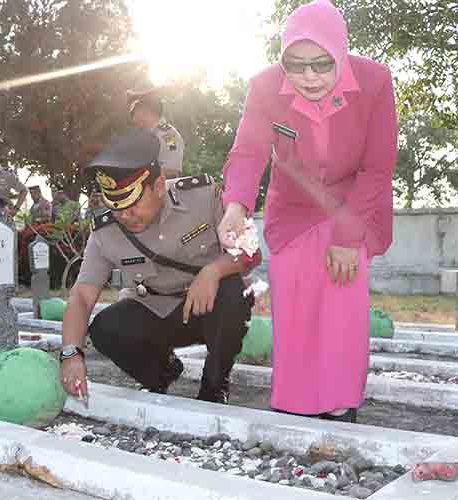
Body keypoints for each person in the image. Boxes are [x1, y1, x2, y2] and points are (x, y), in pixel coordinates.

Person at [217, 1, 398, 423]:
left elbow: (377, 167)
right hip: (294, 209)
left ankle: (339, 405)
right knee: (294, 304)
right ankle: (296, 408)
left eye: (322, 64)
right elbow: (248, 152)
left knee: (341, 301)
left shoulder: (374, 81)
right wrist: (236, 206)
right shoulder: (265, 87)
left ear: (340, 53)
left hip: (353, 204)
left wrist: (348, 238)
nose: (309, 76)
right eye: (296, 65)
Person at [58, 128, 257, 405]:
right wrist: (71, 354)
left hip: (209, 309)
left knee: (233, 292)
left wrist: (213, 271)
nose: (125, 216)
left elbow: (251, 251)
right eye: (116, 207)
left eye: (133, 204)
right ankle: (161, 374)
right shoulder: (105, 231)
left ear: (159, 185)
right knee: (105, 329)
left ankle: (214, 386)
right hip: (158, 312)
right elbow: (82, 295)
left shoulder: (203, 196)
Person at [128, 88, 185, 179]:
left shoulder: (169, 136)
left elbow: (171, 171)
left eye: (139, 120)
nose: (136, 124)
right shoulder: (144, 135)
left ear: (146, 112)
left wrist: (136, 177)